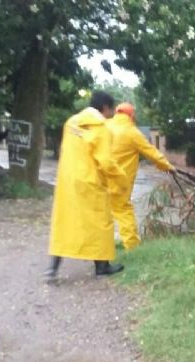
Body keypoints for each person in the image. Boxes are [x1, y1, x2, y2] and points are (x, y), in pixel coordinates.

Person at [45, 91, 129, 281]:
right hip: (90, 182)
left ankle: (52, 269)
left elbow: (63, 150)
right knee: (101, 222)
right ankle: (102, 267)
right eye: (110, 112)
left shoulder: (71, 123)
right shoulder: (101, 129)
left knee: (65, 223)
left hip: (67, 181)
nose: (110, 116)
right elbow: (106, 162)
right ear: (105, 108)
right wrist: (122, 181)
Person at [106, 102, 175, 250]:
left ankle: (98, 246)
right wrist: (167, 166)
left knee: (102, 213)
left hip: (101, 180)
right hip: (120, 180)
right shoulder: (132, 132)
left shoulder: (106, 126)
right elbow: (151, 152)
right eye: (134, 114)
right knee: (124, 211)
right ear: (130, 115)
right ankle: (131, 245)